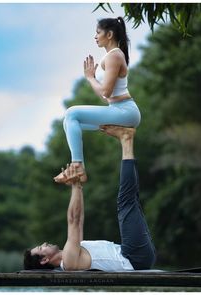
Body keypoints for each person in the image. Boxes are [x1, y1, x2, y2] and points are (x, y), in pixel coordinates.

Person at [24, 125, 156, 271]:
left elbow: (79, 221)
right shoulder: (69, 262)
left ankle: (126, 139)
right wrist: (74, 185)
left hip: (134, 254)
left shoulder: (73, 251)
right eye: (40, 248)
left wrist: (78, 185)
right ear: (44, 260)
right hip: (134, 257)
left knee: (131, 200)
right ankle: (126, 139)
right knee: (125, 202)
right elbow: (73, 220)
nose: (44, 243)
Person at [54, 17, 141, 183]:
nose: (95, 36)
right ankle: (76, 169)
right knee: (70, 122)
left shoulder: (114, 56)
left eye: (98, 32)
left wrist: (90, 78)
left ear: (109, 34)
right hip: (120, 110)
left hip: (125, 111)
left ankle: (77, 166)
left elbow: (106, 92)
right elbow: (105, 95)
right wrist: (92, 78)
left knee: (72, 112)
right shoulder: (113, 56)